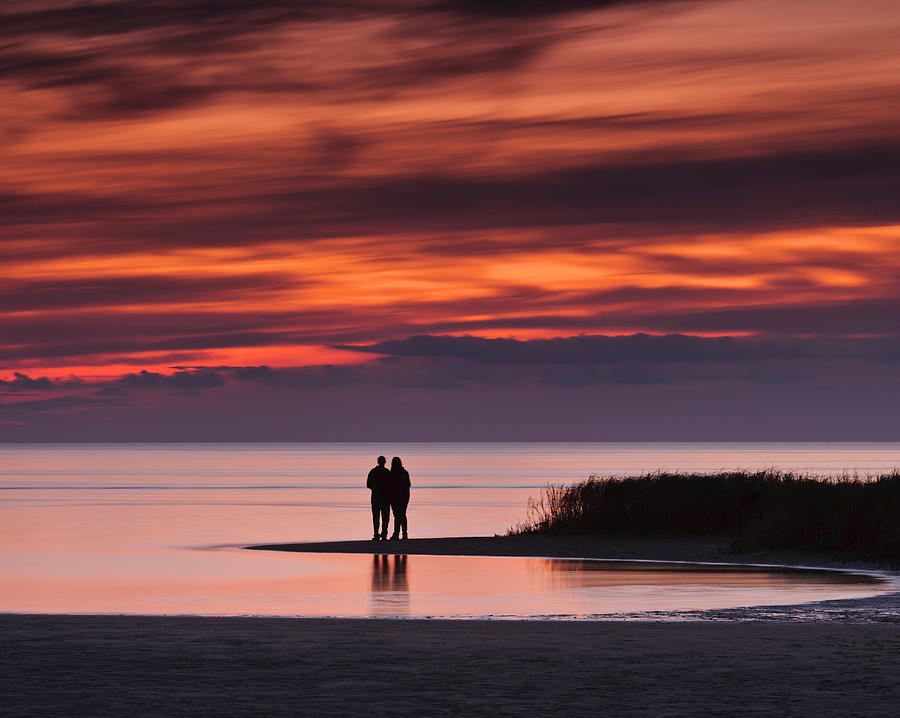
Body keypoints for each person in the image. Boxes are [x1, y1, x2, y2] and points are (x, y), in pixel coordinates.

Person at [366, 455, 391, 541]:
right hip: (382, 498)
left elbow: (368, 484)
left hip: (380, 498)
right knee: (383, 517)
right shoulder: (386, 472)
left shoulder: (374, 472)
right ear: (384, 462)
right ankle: (382, 534)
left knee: (378, 517)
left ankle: (378, 534)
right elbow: (368, 484)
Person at [388, 456, 411, 540]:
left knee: (399, 515)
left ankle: (399, 533)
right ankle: (401, 533)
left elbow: (407, 484)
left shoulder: (398, 473)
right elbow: (408, 484)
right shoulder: (403, 472)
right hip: (399, 497)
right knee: (400, 515)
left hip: (399, 497)